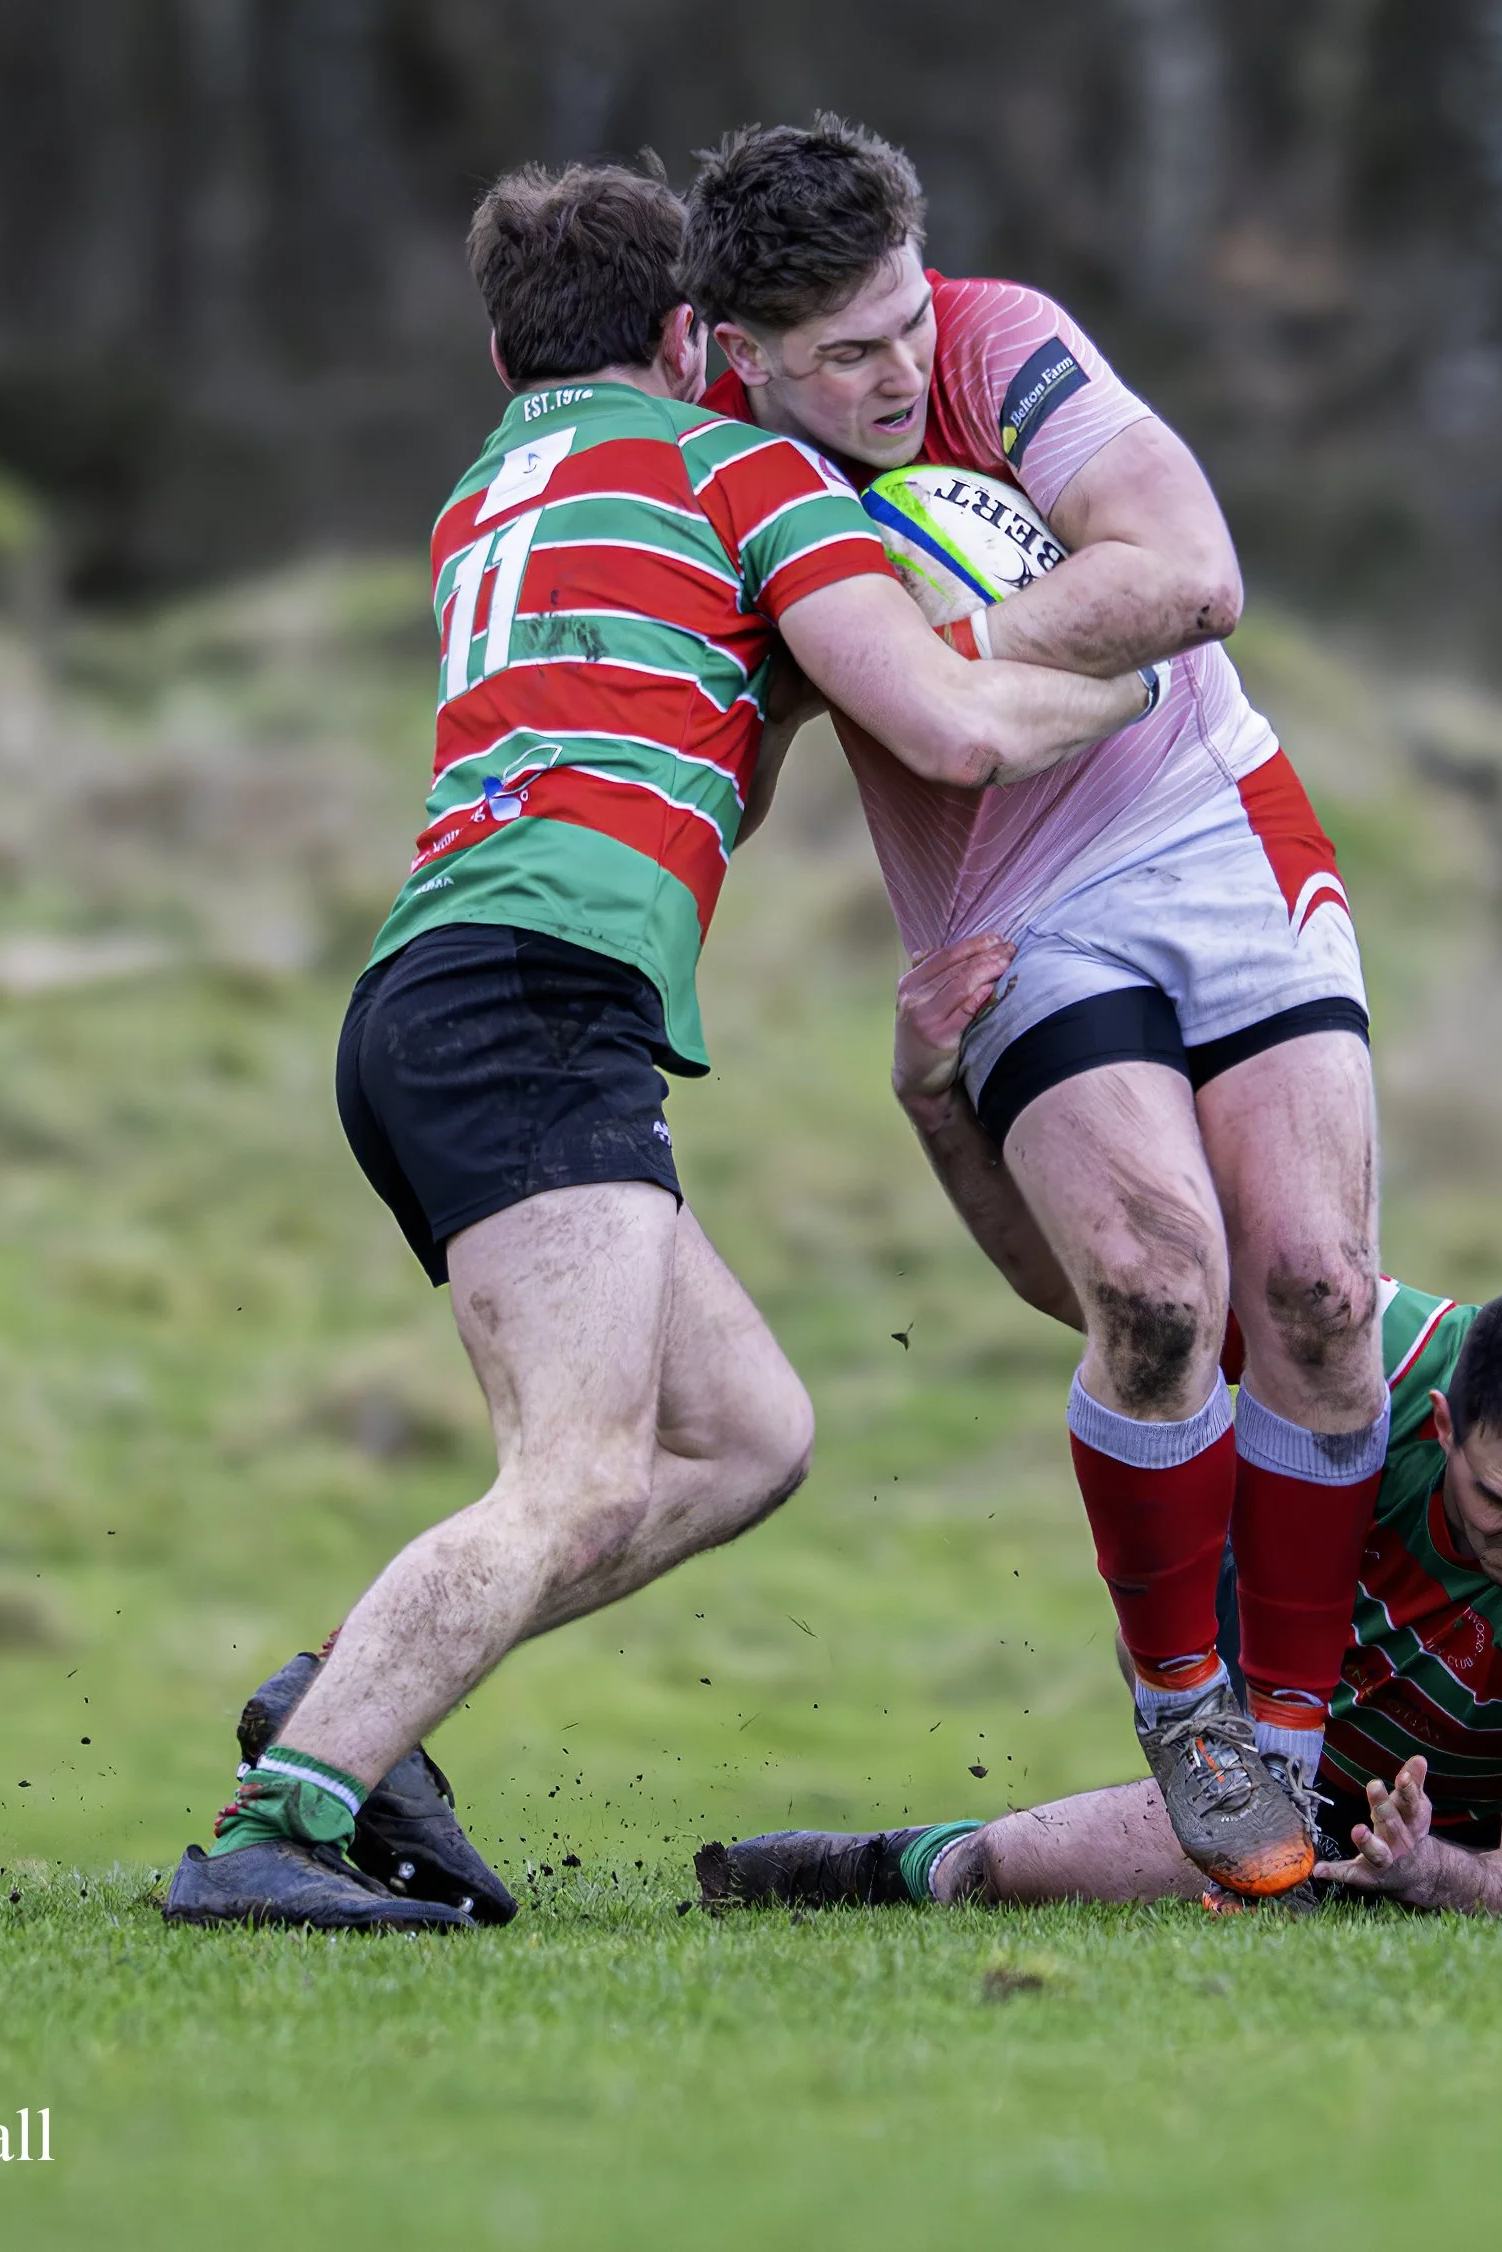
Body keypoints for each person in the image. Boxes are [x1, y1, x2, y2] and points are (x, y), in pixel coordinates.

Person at [164, 160, 1159, 1930]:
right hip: (533, 994)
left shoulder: (485, 491)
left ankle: (349, 1706)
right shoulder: (740, 465)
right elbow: (944, 728)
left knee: (744, 1433)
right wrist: (1133, 673)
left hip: (437, 994)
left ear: (498, 350)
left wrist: (782, 668)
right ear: (697, 336)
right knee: (578, 1466)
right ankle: (279, 1818)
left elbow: (708, 748)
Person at [682, 117, 1385, 1897]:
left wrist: (929, 643)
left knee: (1313, 1287)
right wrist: (811, 671)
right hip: (1009, 906)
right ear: (742, 354)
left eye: (906, 316)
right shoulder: (721, 467)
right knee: (1152, 1291)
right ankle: (1185, 1706)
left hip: (1212, 812)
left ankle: (1282, 1748)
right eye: (845, 352)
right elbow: (732, 785)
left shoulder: (1001, 338)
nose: (902, 371)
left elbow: (1194, 574)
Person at [698, 1274, 1502, 1919]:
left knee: (1030, 1868)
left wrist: (1422, 1868)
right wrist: (950, 1096)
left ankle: (903, 1865)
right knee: (1215, 1462)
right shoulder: (1374, 1353)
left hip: (1416, 1831)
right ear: (1442, 1422)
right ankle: (892, 1861)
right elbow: (1132, 1294)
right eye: (1501, 1499)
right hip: (1247, 1720)